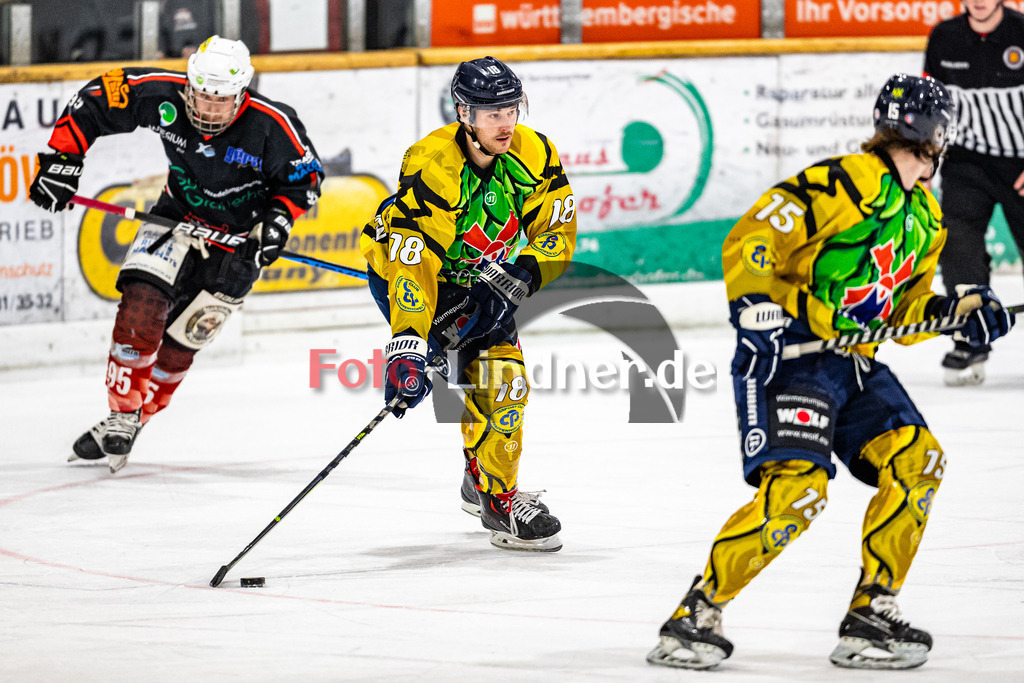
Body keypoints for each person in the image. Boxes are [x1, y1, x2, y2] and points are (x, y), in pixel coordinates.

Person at [646, 74, 1015, 671]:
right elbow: (757, 234)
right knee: (798, 493)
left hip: (854, 364)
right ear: (938, 134)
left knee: (917, 461)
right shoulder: (846, 180)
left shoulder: (925, 215)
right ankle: (696, 614)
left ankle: (872, 612)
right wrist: (755, 309)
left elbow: (900, 315)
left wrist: (958, 314)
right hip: (789, 358)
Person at [29, 36, 323, 472]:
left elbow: (305, 181)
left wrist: (276, 223)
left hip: (239, 246)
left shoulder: (272, 124)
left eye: (220, 101)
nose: (206, 109)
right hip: (176, 220)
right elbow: (93, 98)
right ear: (188, 84)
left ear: (242, 94)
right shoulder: (162, 93)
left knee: (178, 350)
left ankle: (136, 418)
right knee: (140, 309)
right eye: (200, 95)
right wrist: (62, 160)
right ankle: (122, 412)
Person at [359, 56, 576, 551]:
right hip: (418, 276)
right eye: (492, 113)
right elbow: (412, 259)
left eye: (511, 110)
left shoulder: (536, 153)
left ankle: (494, 496)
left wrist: (519, 277)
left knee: (506, 385)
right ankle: (490, 485)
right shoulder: (433, 164)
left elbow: (557, 230)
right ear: (464, 113)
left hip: (486, 278)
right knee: (467, 374)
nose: (506, 123)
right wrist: (410, 343)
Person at [924, 0, 1024, 385]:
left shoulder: (1020, 32)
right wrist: (926, 159)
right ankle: (971, 337)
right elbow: (933, 105)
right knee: (958, 249)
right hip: (967, 162)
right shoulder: (945, 37)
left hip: (1020, 166)